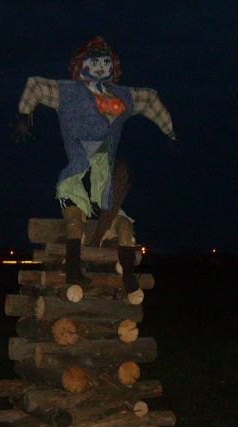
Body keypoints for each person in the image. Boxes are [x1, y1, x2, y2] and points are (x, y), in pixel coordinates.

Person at [12, 35, 176, 296]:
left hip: (104, 182)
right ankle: (73, 272)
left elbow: (148, 99)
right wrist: (24, 114)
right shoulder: (69, 91)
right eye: (94, 62)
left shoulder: (122, 96)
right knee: (74, 222)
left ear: (113, 66)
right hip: (76, 178)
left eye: (106, 62)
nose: (101, 67)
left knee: (124, 226)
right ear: (82, 65)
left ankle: (129, 278)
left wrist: (170, 132)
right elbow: (37, 85)